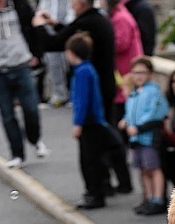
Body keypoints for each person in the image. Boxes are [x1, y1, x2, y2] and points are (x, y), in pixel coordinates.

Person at [35, 0, 129, 189]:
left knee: (92, 143)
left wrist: (39, 27)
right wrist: (56, 25)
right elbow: (71, 35)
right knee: (106, 136)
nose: (70, 6)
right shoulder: (98, 19)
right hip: (106, 85)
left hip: (95, 90)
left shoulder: (86, 27)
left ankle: (99, 187)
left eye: (74, 3)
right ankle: (121, 182)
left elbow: (55, 43)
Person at [0, 0, 48, 169]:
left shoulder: (20, 6)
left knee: (30, 108)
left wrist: (37, 54)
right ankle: (17, 153)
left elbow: (33, 29)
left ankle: (35, 139)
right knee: (7, 114)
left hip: (21, 63)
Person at [64, 32, 112, 209]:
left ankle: (94, 193)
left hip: (89, 122)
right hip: (93, 120)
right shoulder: (87, 69)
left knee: (89, 160)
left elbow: (82, 100)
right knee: (91, 159)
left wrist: (78, 123)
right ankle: (94, 191)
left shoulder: (82, 72)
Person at [120, 56, 168, 215]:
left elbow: (155, 113)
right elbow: (131, 112)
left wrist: (138, 127)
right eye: (135, 73)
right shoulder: (134, 94)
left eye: (142, 72)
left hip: (147, 136)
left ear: (150, 74)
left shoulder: (153, 91)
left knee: (152, 167)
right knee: (142, 169)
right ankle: (148, 197)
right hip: (136, 137)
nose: (138, 76)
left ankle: (158, 198)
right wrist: (126, 121)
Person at [104, 0, 141, 194]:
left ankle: (124, 180)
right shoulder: (120, 15)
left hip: (123, 79)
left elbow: (121, 43)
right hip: (122, 79)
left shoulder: (120, 18)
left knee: (119, 133)